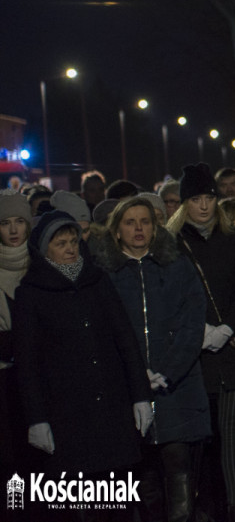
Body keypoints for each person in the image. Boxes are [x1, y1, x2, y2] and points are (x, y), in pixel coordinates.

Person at [94, 196, 211, 522]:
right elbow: (102, 333)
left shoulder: (177, 266)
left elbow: (192, 325)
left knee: (180, 473)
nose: (138, 228)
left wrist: (166, 372)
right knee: (141, 482)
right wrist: (134, 375)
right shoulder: (104, 275)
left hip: (177, 389)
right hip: (128, 394)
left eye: (145, 221)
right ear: (116, 230)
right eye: (130, 222)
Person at [15, 210, 154, 476]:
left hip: (111, 402)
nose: (70, 249)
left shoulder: (97, 281)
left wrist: (141, 396)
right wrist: (37, 418)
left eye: (74, 242)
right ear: (45, 250)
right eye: (61, 244)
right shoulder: (31, 293)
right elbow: (28, 363)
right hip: (66, 411)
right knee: (80, 492)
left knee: (119, 490)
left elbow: (125, 339)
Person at [168, 163, 235, 522]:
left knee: (234, 432)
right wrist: (198, 331)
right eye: (196, 198)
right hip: (193, 356)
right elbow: (170, 297)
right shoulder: (172, 244)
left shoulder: (231, 238)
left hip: (233, 349)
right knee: (198, 440)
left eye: (209, 198)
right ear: (183, 202)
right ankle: (198, 507)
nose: (204, 206)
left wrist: (226, 328)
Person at [0, 190, 33, 478]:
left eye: (19, 221)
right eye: (5, 222)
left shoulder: (42, 264)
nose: (13, 230)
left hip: (40, 377)